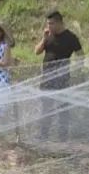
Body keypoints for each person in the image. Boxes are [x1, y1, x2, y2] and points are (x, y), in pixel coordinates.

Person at [33, 10, 84, 142]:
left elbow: (81, 55)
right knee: (46, 108)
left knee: (63, 109)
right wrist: (44, 38)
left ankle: (62, 138)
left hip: (62, 78)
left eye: (52, 23)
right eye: (48, 24)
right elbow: (36, 52)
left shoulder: (71, 38)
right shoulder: (48, 36)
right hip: (46, 77)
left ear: (60, 22)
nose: (49, 26)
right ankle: (43, 136)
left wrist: (78, 71)